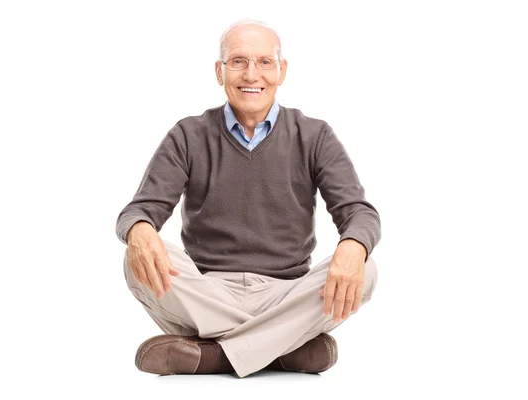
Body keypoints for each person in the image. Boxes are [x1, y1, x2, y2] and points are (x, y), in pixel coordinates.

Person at [115, 19, 381, 379]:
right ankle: (282, 350)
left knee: (365, 268)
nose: (251, 74)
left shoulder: (314, 135)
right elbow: (140, 209)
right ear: (219, 71)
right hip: (208, 292)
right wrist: (139, 229)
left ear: (281, 70)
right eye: (238, 61)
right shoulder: (188, 135)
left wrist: (352, 245)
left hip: (286, 294)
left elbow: (359, 213)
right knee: (135, 262)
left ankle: (214, 357)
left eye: (264, 62)